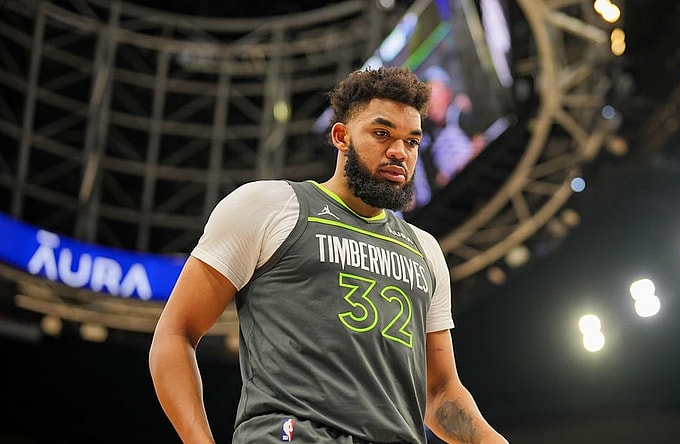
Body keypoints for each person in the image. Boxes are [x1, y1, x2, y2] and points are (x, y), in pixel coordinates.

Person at [149, 66, 508, 444]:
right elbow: (176, 334)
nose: (399, 152)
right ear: (341, 136)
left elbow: (440, 394)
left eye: (412, 141)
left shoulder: (425, 250)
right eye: (382, 134)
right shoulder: (269, 206)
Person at [412, 65, 476, 208]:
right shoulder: (425, 136)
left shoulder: (463, 116)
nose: (432, 104)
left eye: (435, 96)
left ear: (448, 94)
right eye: (426, 100)